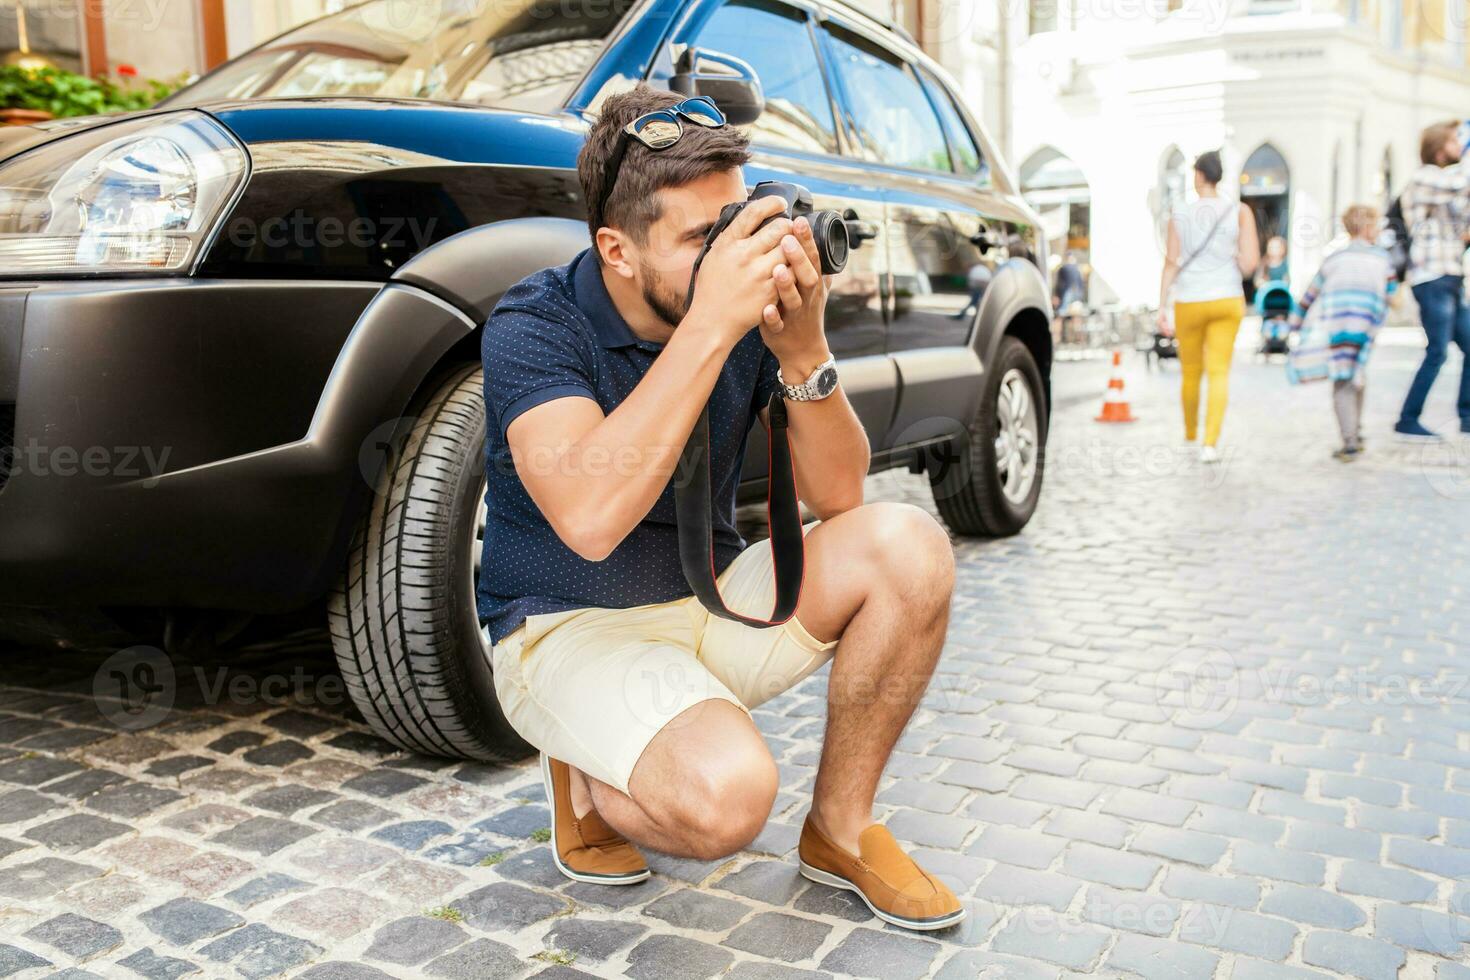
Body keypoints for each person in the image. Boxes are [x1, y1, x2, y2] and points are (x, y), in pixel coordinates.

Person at [476, 86, 963, 931]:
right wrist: (710, 326)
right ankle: (587, 769)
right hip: (569, 624)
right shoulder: (535, 323)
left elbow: (840, 500)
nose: (736, 252)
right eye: (704, 237)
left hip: (707, 602)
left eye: (738, 220)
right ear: (617, 251)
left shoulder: (742, 312)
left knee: (909, 546)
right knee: (726, 801)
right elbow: (590, 517)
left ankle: (841, 829)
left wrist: (802, 349)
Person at [1157, 150, 1261, 463]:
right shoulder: (1238, 211)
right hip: (1227, 298)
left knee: (1190, 372)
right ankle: (1210, 444)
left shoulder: (1180, 212)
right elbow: (1250, 264)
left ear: (1198, 175)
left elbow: (1171, 262)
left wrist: (1161, 305)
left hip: (1189, 300)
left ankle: (1190, 435)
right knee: (1219, 372)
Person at [1290, 205, 1396, 461]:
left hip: (1337, 327)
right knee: (1357, 374)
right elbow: (1392, 294)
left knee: (1342, 380)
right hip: (1367, 326)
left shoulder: (1333, 259)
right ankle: (1354, 433)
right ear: (1367, 228)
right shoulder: (1382, 259)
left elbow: (1310, 295)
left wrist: (1293, 324)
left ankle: (1349, 439)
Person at [1393, 120, 1470, 442]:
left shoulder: (1446, 182)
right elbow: (1460, 182)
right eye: (1455, 140)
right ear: (1440, 149)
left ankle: (1466, 416)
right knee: (1437, 350)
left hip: (1451, 275)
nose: (1460, 144)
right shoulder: (1424, 177)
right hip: (1431, 277)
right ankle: (1408, 418)